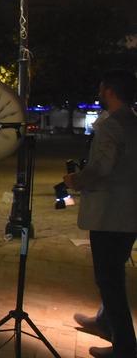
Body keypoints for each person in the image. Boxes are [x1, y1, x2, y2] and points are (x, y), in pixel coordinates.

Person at [64, 70, 137, 358]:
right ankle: (105, 322)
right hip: (129, 214)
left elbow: (103, 168)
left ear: (109, 92)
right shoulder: (133, 122)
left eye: (101, 88)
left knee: (109, 278)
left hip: (110, 214)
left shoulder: (111, 126)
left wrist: (77, 180)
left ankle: (125, 346)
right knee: (113, 272)